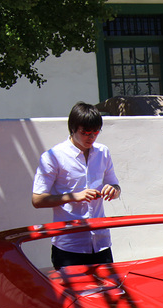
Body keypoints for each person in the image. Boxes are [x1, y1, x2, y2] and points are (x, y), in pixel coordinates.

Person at [32, 101, 121, 269]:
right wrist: (73, 197)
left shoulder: (103, 152)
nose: (92, 137)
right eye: (86, 132)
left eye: (96, 132)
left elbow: (115, 186)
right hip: (69, 246)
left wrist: (113, 190)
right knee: (71, 295)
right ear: (72, 128)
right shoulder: (53, 156)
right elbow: (37, 199)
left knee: (108, 293)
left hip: (101, 242)